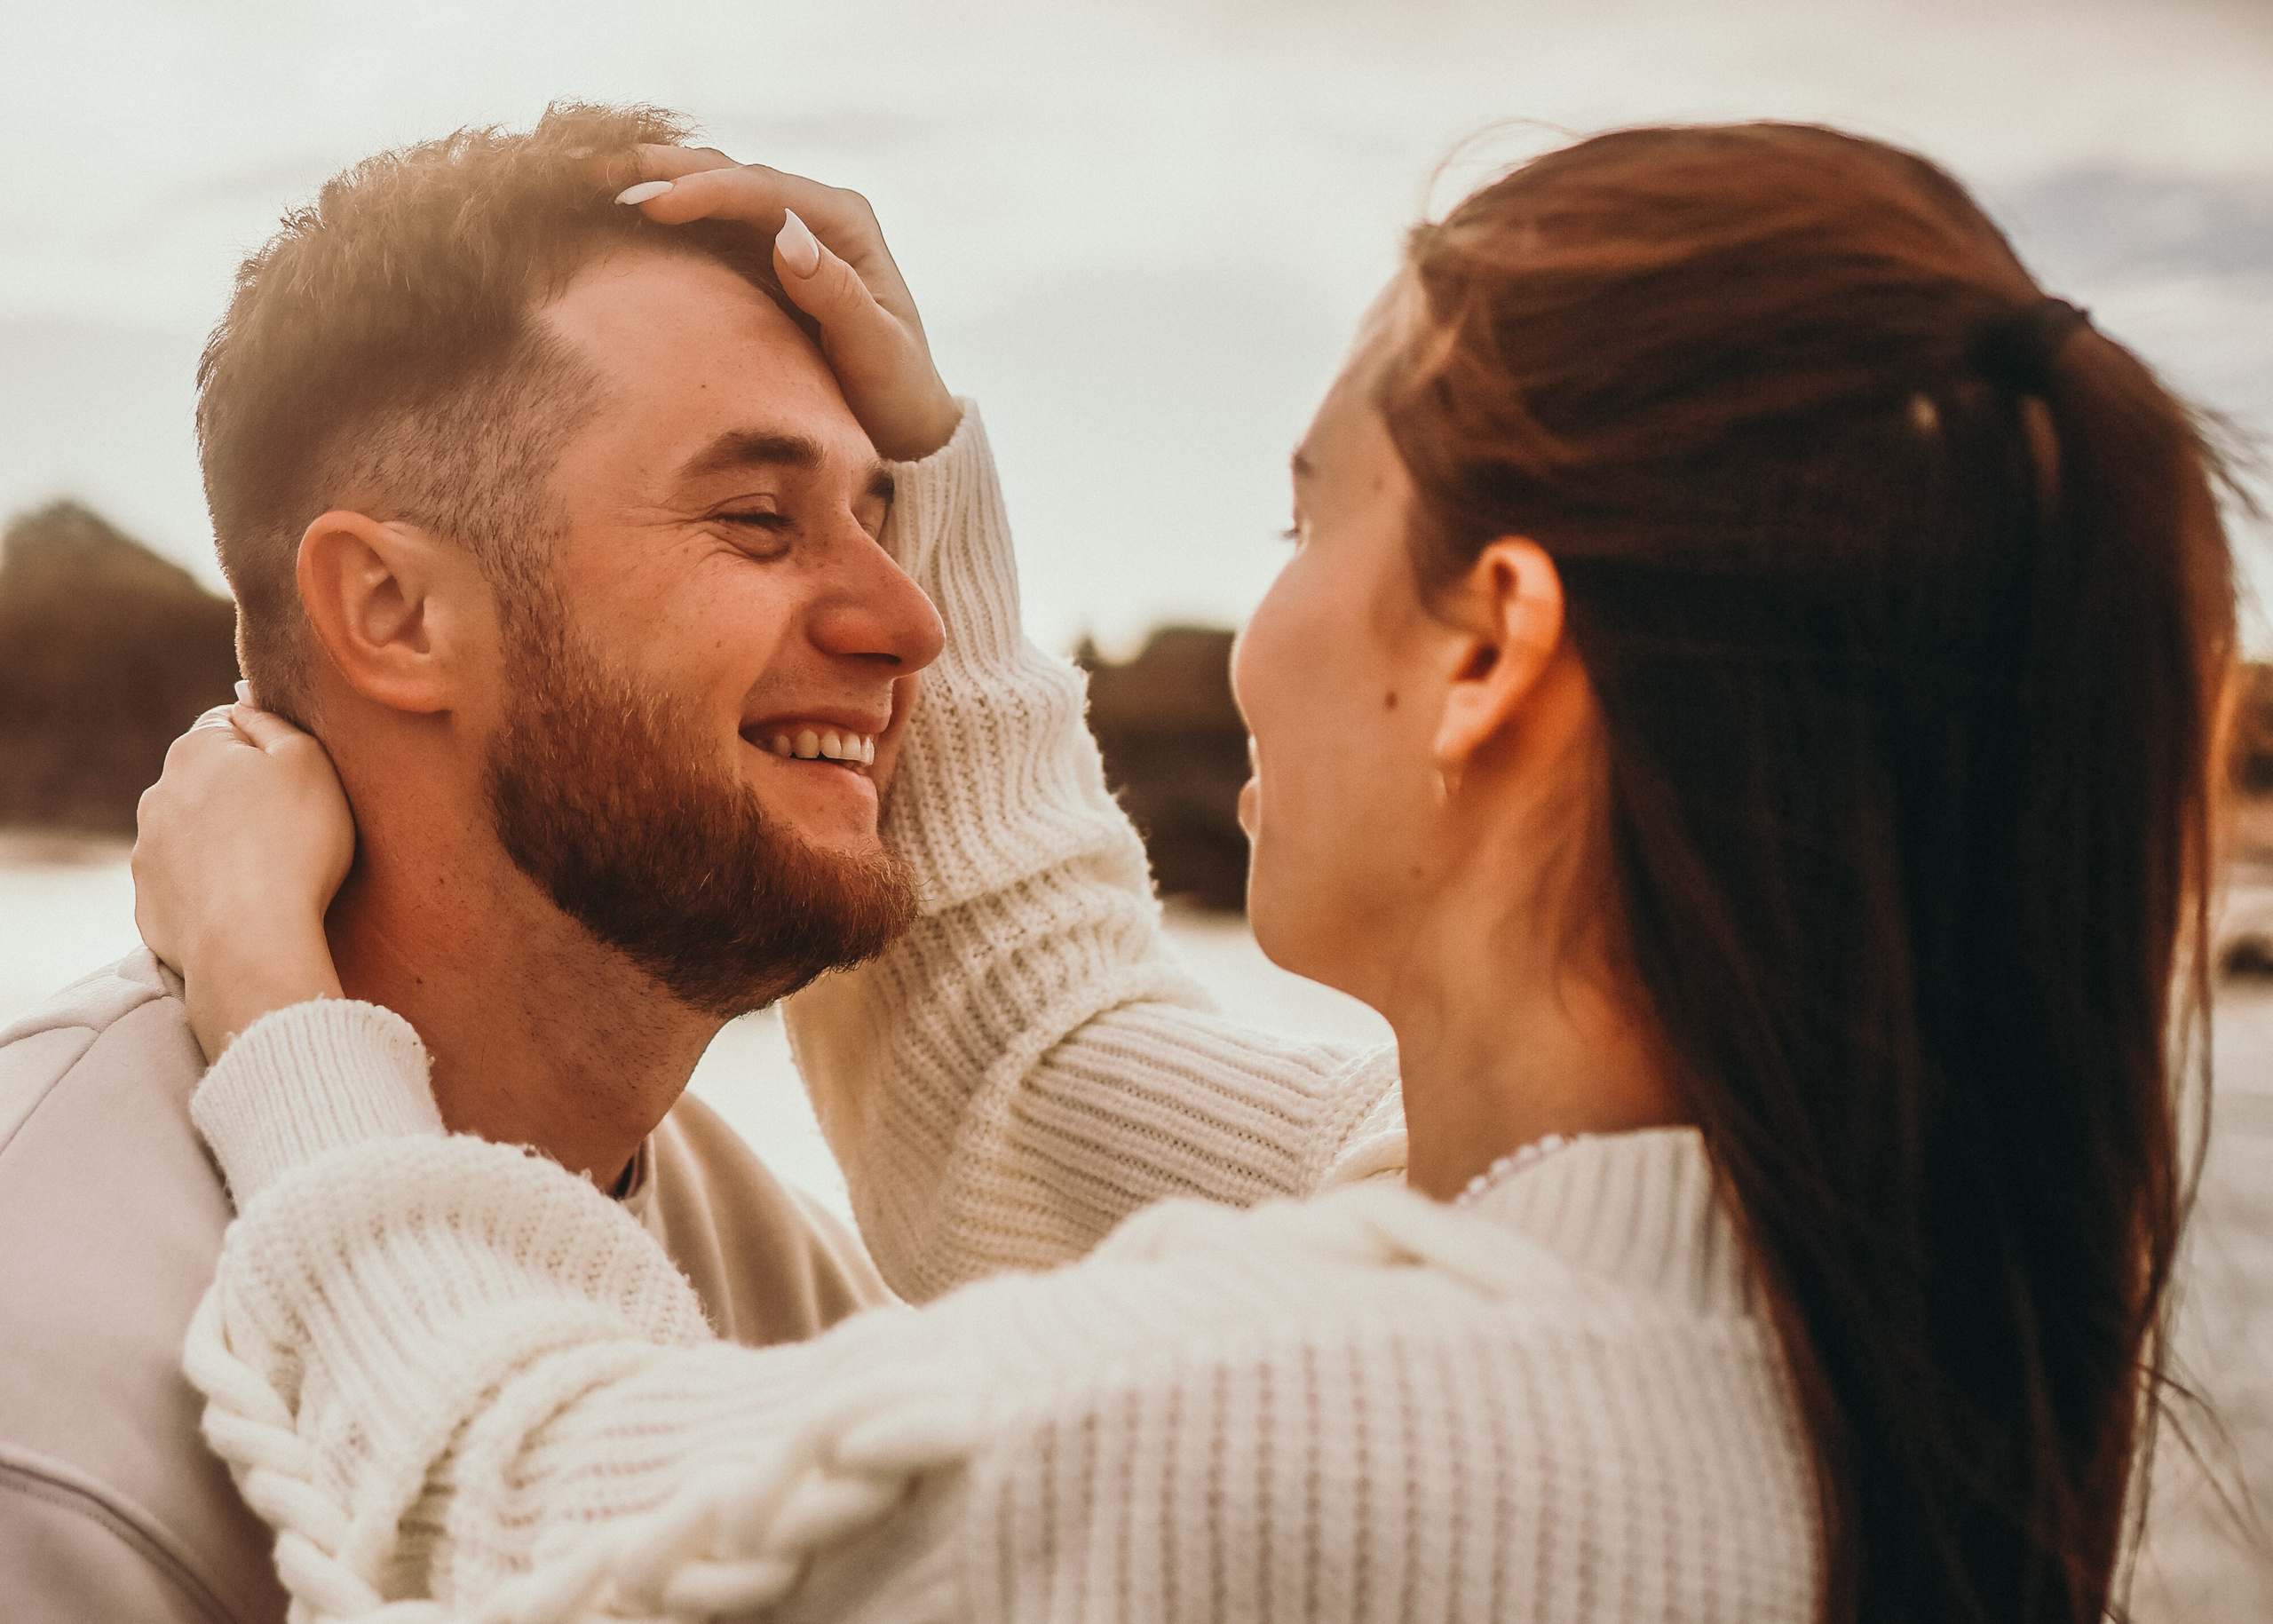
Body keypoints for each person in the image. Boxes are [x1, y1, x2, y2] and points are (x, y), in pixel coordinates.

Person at [137, 122, 2236, 1624]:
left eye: (1300, 522)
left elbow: (510, 1513)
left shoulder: (1343, 1418)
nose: (1255, 629)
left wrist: (282, 1010)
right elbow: (1023, 1080)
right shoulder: (1800, 1276)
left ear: (1491, 650)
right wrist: (923, 472)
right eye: (764, 520)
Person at [0, 102, 984, 1622]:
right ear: (393, 614)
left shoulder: (793, 1293)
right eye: (756, 518)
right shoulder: (48, 1398)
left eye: (881, 520)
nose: (912, 624)